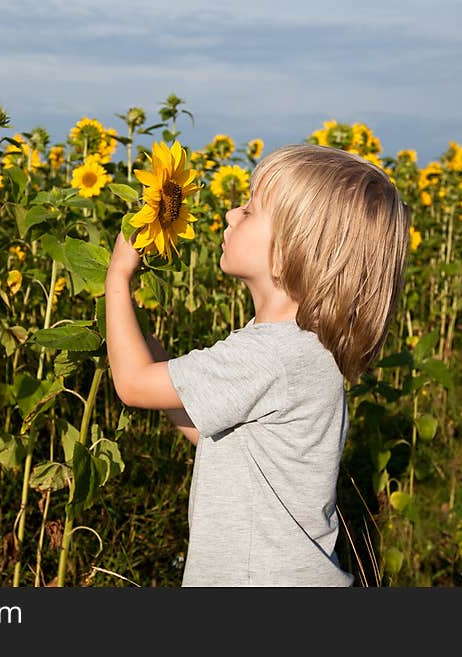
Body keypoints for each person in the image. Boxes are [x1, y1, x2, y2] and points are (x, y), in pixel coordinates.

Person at [105, 143, 411, 586]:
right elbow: (217, 433)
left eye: (249, 211)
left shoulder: (269, 355)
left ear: (293, 250)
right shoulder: (302, 349)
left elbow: (132, 385)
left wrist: (118, 276)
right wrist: (142, 339)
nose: (231, 213)